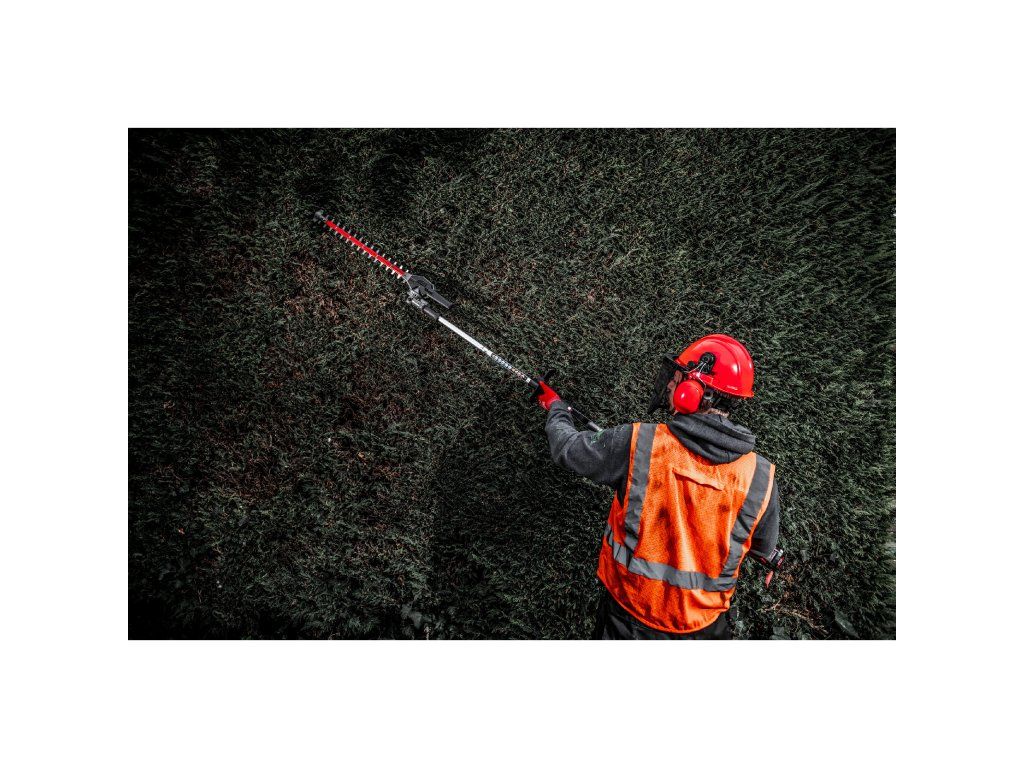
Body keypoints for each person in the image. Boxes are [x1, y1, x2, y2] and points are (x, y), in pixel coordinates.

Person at [535, 334, 781, 640]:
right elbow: (763, 547)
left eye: (676, 379)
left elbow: (569, 448)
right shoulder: (759, 476)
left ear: (693, 391)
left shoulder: (639, 443)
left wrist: (556, 407)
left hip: (629, 621)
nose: (669, 385)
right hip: (705, 629)